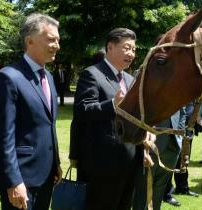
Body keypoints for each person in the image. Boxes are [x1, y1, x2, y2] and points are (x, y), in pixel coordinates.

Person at [0, 13, 62, 210]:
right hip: (21, 178)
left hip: (46, 174)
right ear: (30, 41)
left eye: (58, 40)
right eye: (51, 39)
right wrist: (13, 181)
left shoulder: (49, 77)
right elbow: (3, 136)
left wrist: (56, 163)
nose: (57, 45)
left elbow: (47, 125)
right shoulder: (9, 78)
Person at [69, 28, 143, 210]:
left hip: (130, 161)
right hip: (101, 164)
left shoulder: (129, 78)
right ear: (110, 47)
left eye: (133, 50)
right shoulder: (92, 74)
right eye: (127, 48)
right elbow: (82, 110)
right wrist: (112, 105)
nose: (131, 54)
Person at [133, 108, 186, 210]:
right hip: (151, 144)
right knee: (143, 189)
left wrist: (179, 135)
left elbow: (182, 113)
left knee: (160, 188)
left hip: (173, 146)